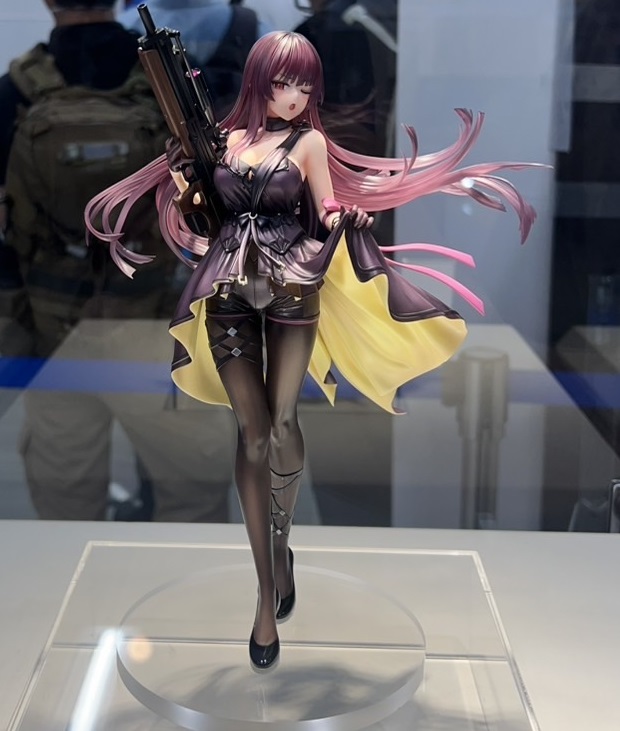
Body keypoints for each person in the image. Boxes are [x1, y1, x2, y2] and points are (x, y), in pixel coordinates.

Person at [86, 31, 540, 669]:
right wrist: (189, 184)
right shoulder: (221, 142)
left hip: (293, 286)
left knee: (281, 424)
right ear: (258, 83)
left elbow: (325, 208)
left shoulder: (310, 144)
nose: (295, 96)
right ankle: (265, 590)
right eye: (283, 83)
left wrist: (346, 219)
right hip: (226, 289)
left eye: (305, 85)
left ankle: (282, 541)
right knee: (250, 434)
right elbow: (202, 208)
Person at [0, 0, 235, 523]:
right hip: (157, 326)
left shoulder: (15, 91)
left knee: (65, 507)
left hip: (53, 333)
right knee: (192, 496)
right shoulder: (172, 83)